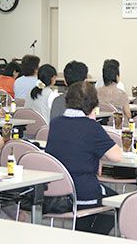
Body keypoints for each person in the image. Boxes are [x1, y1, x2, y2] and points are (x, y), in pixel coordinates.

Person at [46, 81, 122, 235]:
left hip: (57, 193)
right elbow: (117, 157)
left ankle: (81, 235)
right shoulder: (91, 127)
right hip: (83, 193)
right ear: (93, 104)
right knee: (119, 202)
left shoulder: (55, 123)